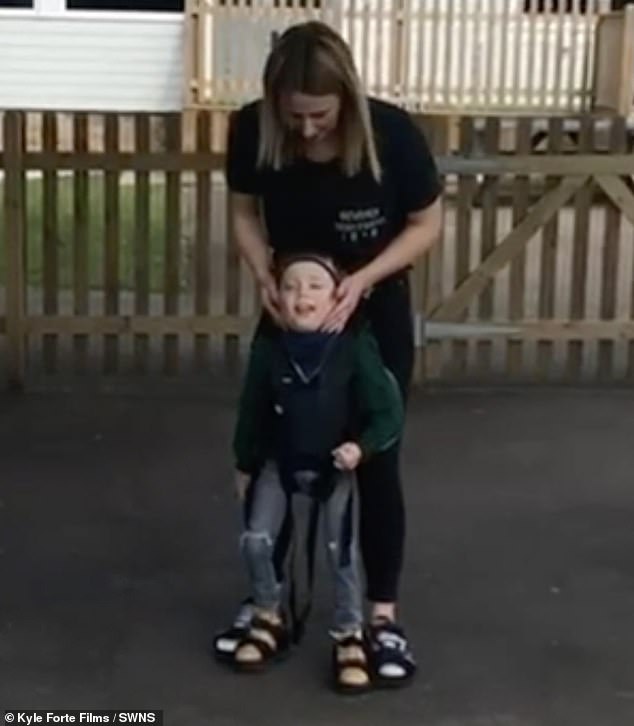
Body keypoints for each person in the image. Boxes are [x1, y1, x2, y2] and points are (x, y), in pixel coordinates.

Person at [215, 20, 442, 687]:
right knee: (274, 456)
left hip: (374, 317)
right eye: (294, 116)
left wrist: (364, 279)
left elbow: (426, 223)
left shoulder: (393, 135)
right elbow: (245, 213)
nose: (307, 129)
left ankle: (379, 618)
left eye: (319, 115)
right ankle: (269, 605)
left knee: (373, 458)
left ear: (347, 96)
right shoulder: (254, 129)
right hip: (290, 315)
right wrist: (261, 274)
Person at [227, 253, 403, 694]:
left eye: (314, 286)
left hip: (332, 466)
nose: (301, 295)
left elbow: (388, 411)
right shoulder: (269, 351)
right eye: (290, 286)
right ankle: (268, 613)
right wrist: (244, 462)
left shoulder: (353, 349)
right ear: (276, 299)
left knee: (338, 551)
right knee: (255, 540)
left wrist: (359, 449)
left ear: (338, 298)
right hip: (278, 460)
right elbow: (251, 413)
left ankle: (349, 633)